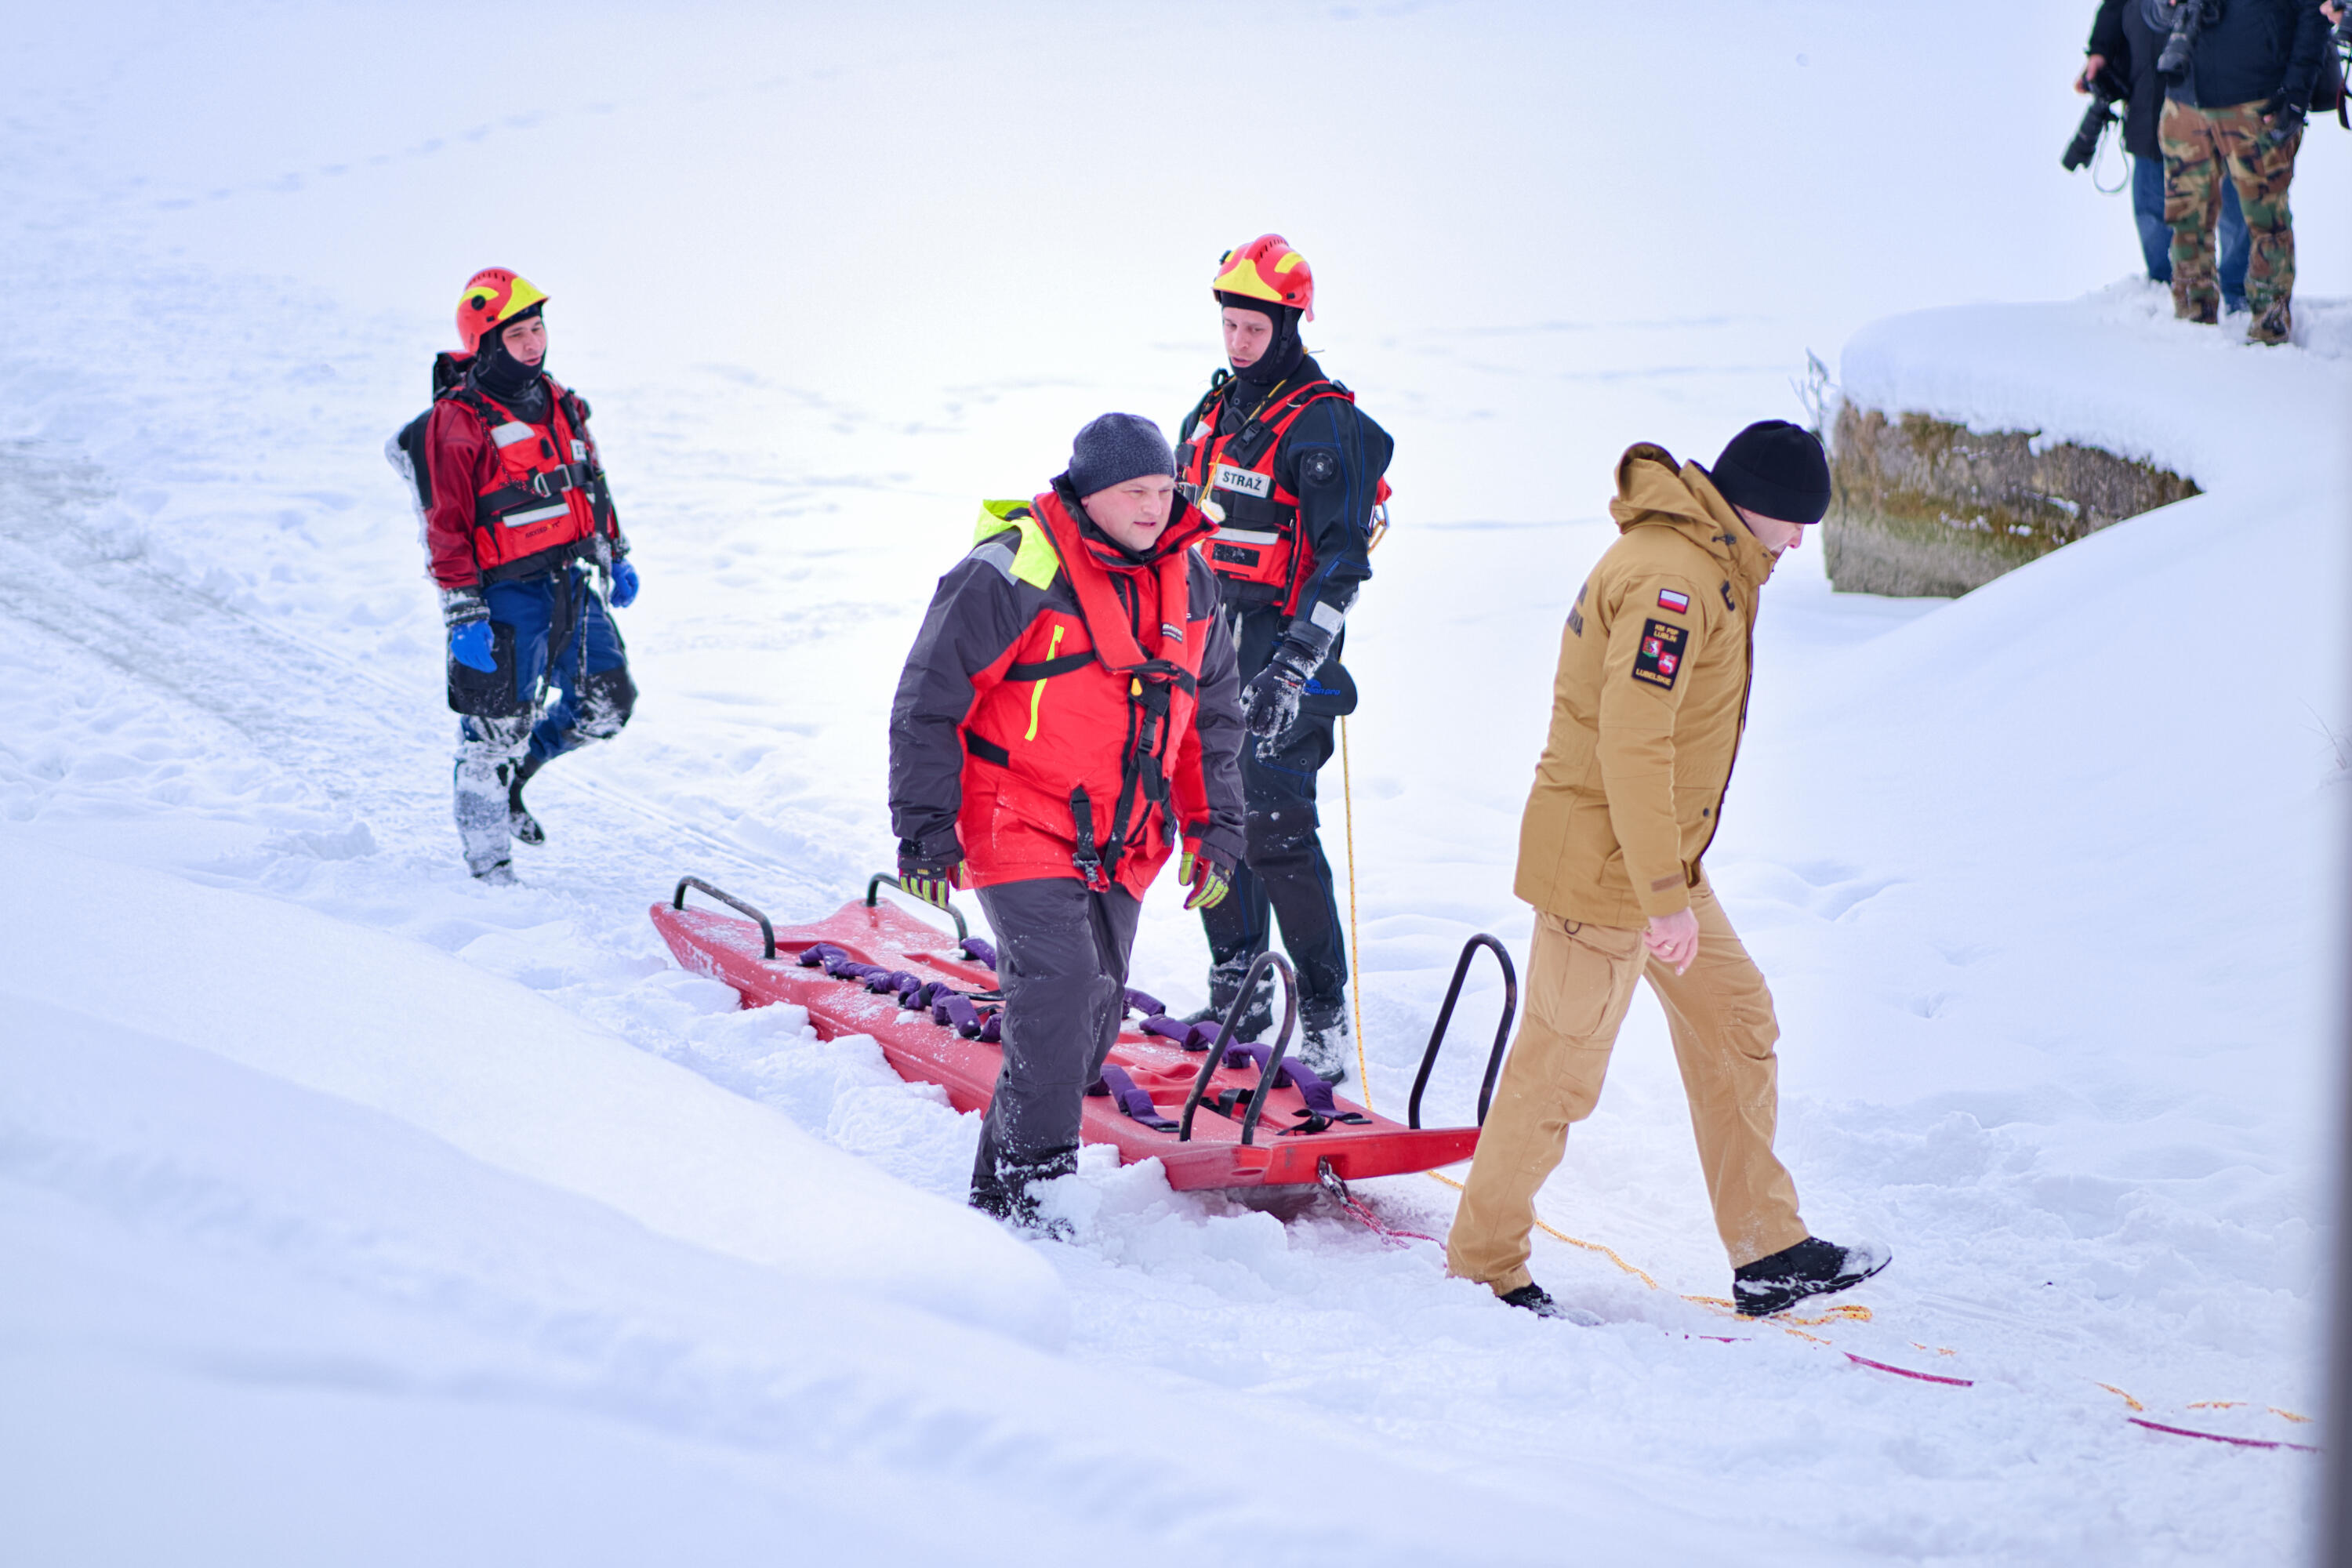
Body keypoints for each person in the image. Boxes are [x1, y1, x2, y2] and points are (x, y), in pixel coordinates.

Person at [1445, 422, 1890, 1321]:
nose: (1799, 541)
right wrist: (1661, 897)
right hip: (1605, 868)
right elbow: (1633, 741)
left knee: (1737, 1019)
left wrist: (1669, 882)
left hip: (1657, 862)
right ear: (1756, 503)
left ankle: (1768, 1248)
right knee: (1557, 1070)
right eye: (1796, 521)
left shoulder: (1709, 561)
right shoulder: (1673, 582)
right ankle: (1484, 1265)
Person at [888, 414, 1247, 1226]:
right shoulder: (1013, 568)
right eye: (1135, 492)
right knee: (1061, 988)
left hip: (1125, 834)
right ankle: (1032, 1191)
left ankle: (1002, 1185)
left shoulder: (1193, 580)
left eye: (1166, 489)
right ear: (1089, 494)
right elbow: (928, 701)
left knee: (1091, 1018)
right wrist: (925, 829)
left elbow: (1212, 719)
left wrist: (1215, 830)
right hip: (1014, 812)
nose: (1154, 508)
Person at [1174, 234, 1394, 1082]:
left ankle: (1325, 1014)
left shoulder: (1321, 424)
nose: (1238, 342)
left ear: (1291, 324)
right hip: (1205, 645)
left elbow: (1344, 564)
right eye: (1230, 325)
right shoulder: (1214, 412)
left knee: (1274, 829)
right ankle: (1240, 989)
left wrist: (1295, 664)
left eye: (1254, 329)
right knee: (1208, 814)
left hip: (1283, 651)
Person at [411, 269, 638, 884]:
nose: (533, 343)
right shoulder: (458, 421)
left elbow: (591, 480)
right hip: (502, 594)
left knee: (607, 704)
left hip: (569, 581)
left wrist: (616, 551)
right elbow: (445, 527)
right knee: (492, 735)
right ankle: (490, 874)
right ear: (486, 342)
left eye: (537, 328)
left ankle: (518, 775)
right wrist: (463, 611)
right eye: (516, 334)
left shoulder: (560, 401)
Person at [2154, 0, 2332, 343]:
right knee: (2186, 218)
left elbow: (2316, 9)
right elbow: (2151, 12)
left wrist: (2297, 89)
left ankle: (2270, 328)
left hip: (2257, 97)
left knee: (2268, 222)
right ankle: (2190, 324)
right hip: (2185, 98)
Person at [2080, 0, 2249, 310]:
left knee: (2234, 200)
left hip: (2221, 87)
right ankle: (2167, 287)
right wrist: (2100, 51)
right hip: (2149, 90)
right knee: (2152, 206)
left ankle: (2236, 293)